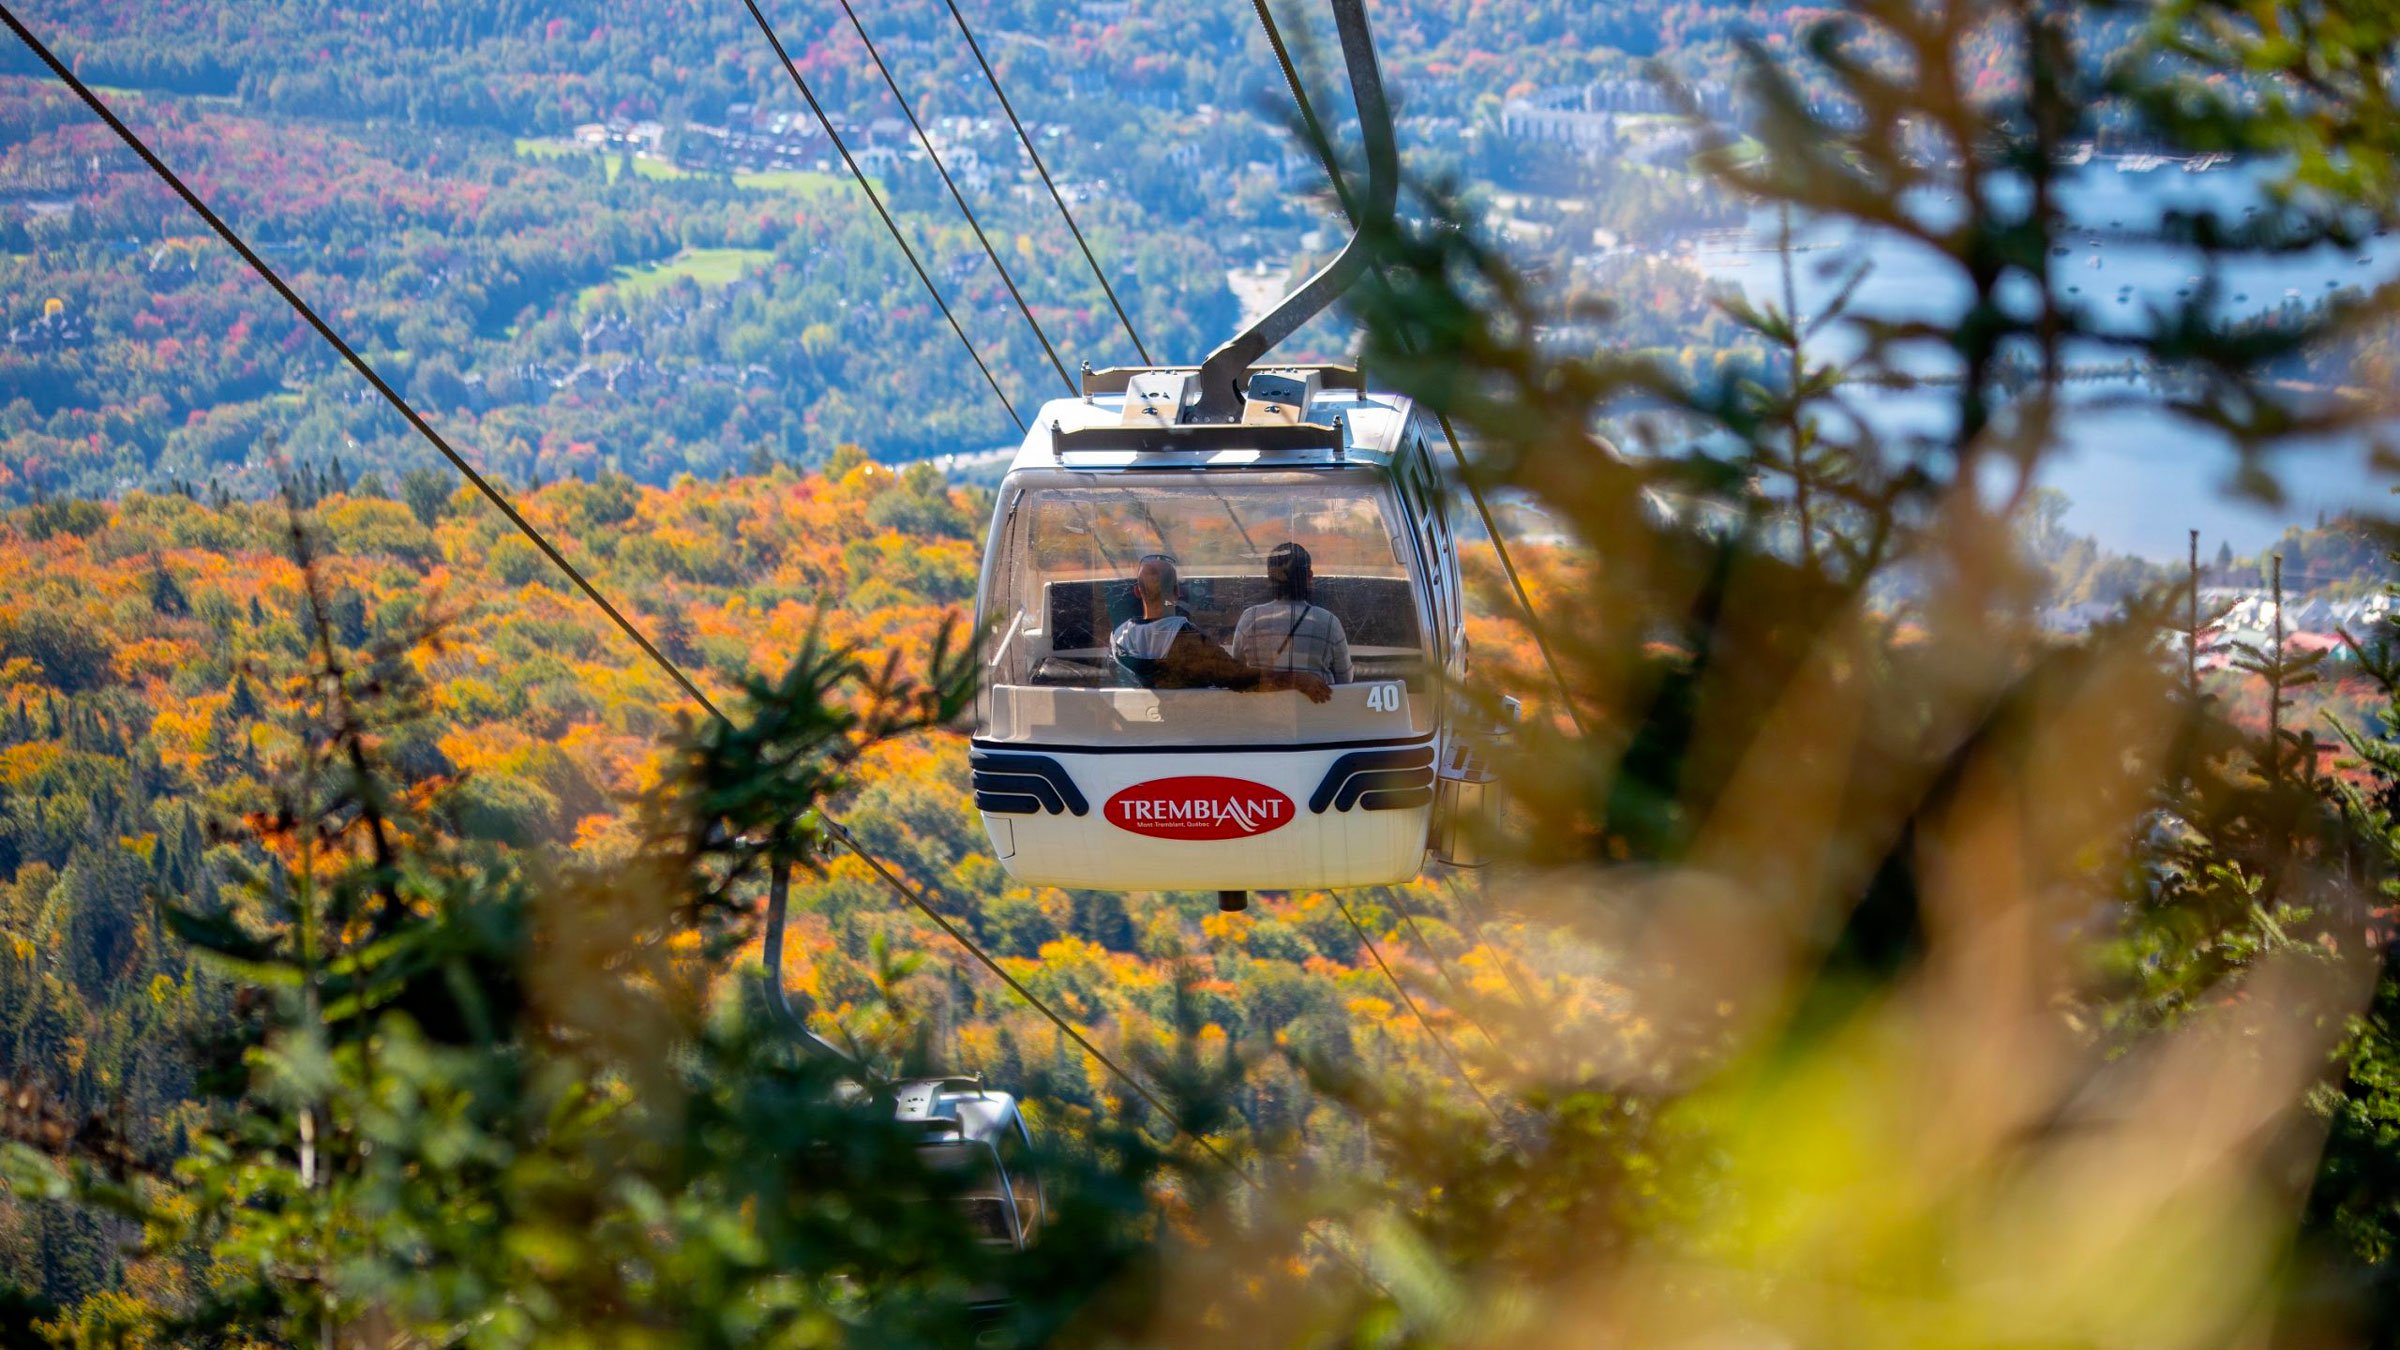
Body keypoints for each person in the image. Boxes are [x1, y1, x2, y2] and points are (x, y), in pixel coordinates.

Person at [1112, 553, 1330, 701]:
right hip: (1191, 734)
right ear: (1178, 592)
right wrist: (1298, 679)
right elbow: (1241, 678)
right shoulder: (1189, 640)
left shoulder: (1118, 639)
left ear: (1137, 592)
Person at [1228, 541, 1352, 687]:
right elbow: (1345, 680)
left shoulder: (1250, 618)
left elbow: (1236, 672)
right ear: (1309, 577)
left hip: (1261, 707)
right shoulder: (1329, 622)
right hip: (1315, 707)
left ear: (1270, 579)